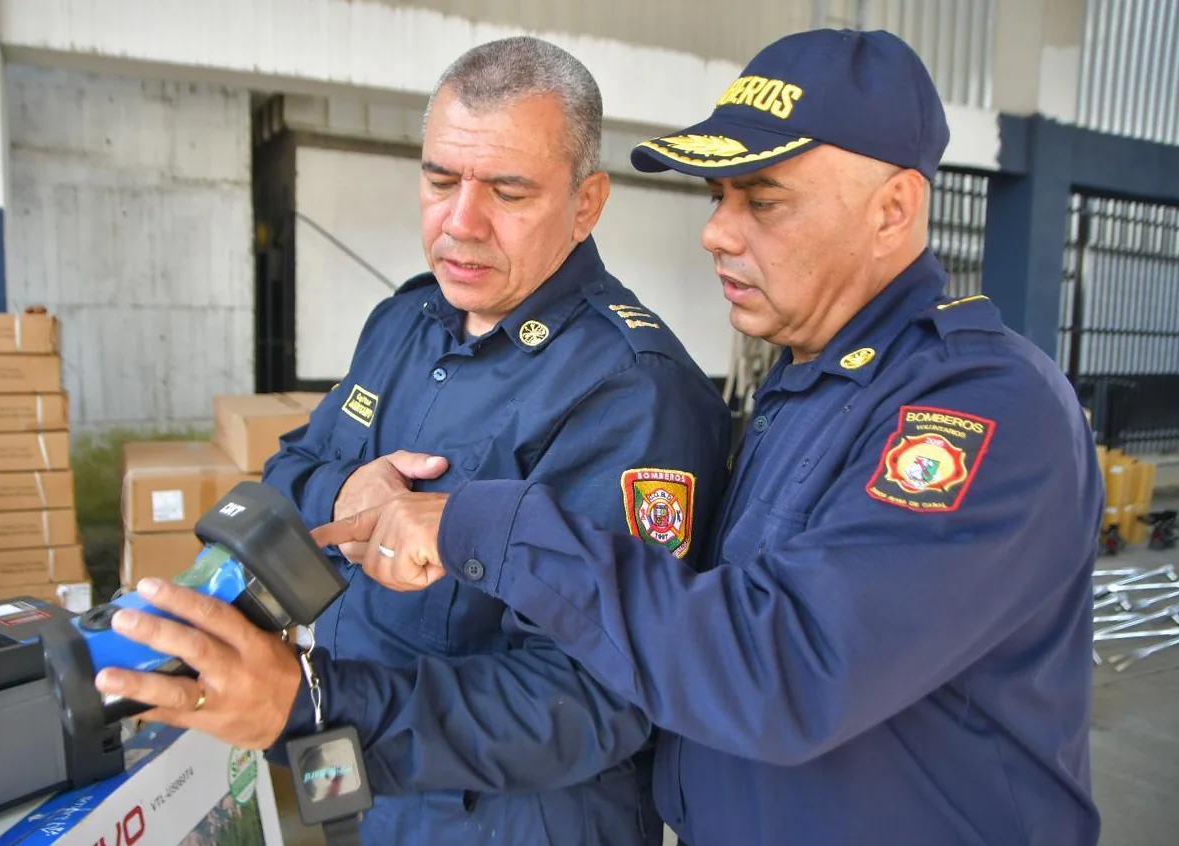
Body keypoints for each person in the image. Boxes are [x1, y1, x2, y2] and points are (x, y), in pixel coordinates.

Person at [312, 28, 1104, 846]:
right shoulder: (807, 386)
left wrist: (486, 527)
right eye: (716, 197)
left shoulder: (979, 410)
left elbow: (787, 667)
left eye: (762, 201)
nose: (717, 233)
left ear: (893, 209)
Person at [90, 36, 730, 846]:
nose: (460, 223)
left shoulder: (632, 392)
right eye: (439, 180)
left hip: (516, 821)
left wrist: (313, 704)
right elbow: (291, 469)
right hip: (373, 792)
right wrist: (347, 494)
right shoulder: (405, 321)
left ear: (587, 201)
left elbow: (593, 701)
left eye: (507, 190)